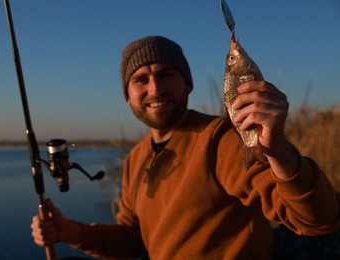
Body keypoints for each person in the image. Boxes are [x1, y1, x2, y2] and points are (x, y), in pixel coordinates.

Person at [31, 35, 340, 259]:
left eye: (165, 74)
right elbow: (129, 239)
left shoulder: (220, 139)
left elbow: (319, 221)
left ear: (187, 84)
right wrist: (69, 231)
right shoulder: (135, 159)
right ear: (127, 96)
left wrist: (280, 151)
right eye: (140, 79)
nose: (154, 88)